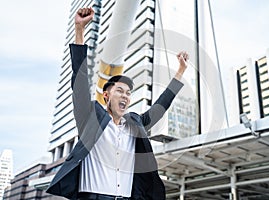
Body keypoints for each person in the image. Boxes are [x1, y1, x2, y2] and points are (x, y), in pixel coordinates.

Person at [46, 7, 189, 200]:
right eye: (119, 91)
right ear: (106, 96)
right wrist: (79, 30)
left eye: (128, 93)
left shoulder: (135, 124)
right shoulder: (91, 117)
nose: (125, 96)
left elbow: (160, 107)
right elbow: (79, 82)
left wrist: (180, 71)